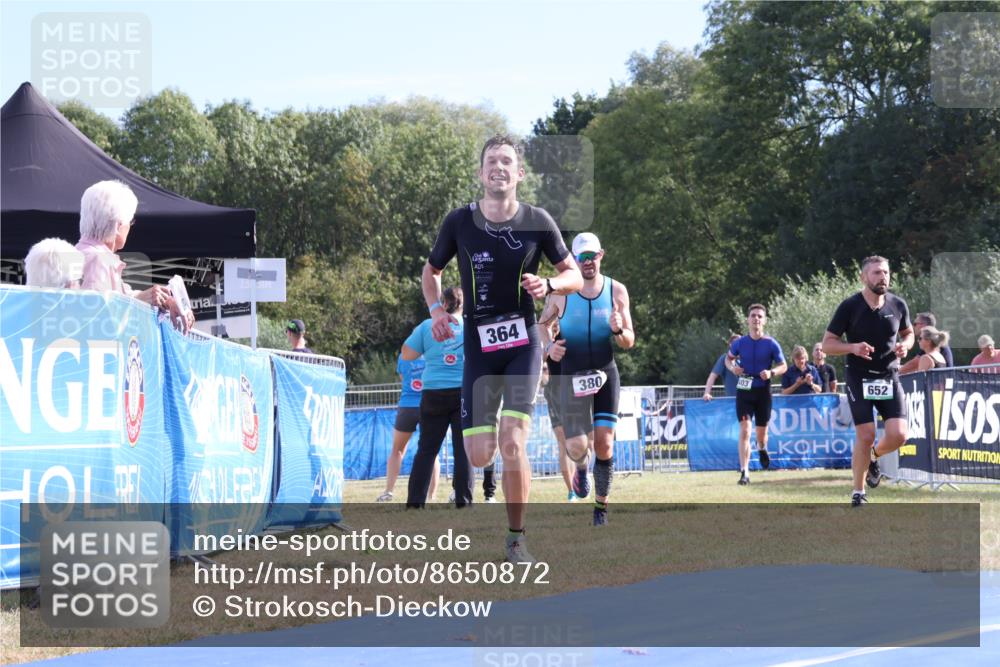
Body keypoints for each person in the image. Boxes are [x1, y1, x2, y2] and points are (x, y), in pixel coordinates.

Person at [423, 134, 582, 563]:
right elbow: (431, 270)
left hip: (522, 343)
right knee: (479, 454)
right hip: (478, 346)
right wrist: (437, 311)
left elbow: (572, 275)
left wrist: (548, 283)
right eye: (491, 160)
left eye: (507, 161)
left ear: (519, 173)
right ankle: (492, 433)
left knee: (513, 442)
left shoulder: (537, 220)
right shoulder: (459, 221)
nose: (499, 167)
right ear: (481, 173)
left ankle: (516, 538)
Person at [539, 232, 634, 526]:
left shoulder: (617, 291)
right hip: (571, 376)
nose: (587, 262)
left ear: (601, 255)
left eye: (592, 256)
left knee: (604, 444)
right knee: (577, 447)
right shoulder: (561, 292)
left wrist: (619, 330)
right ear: (575, 259)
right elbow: (541, 326)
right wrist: (548, 347)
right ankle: (581, 467)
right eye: (582, 257)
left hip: (605, 373)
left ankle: (600, 508)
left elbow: (629, 341)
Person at [823, 255, 913, 507]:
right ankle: (858, 491)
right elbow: (827, 344)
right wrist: (852, 347)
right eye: (876, 273)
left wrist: (905, 345)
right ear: (863, 277)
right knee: (866, 434)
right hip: (859, 377)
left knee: (899, 435)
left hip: (889, 377)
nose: (882, 277)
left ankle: (873, 456)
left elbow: (908, 333)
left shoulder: (898, 304)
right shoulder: (850, 306)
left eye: (885, 272)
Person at [75, 180, 194, 331]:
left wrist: (165, 300)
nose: (130, 227)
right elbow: (98, 319)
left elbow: (121, 296)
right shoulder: (96, 260)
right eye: (130, 221)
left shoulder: (90, 255)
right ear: (118, 225)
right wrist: (142, 299)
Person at [405, 288, 473, 507]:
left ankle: (415, 502)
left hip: (433, 391)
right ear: (464, 304)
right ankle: (463, 500)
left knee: (427, 449)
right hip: (463, 391)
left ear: (442, 303)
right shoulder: (470, 326)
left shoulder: (427, 326)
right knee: (463, 448)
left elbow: (407, 354)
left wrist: (432, 349)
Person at [726, 304, 787, 485]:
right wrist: (733, 369)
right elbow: (728, 359)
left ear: (764, 320)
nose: (756, 319)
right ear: (748, 319)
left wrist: (771, 373)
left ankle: (762, 448)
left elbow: (783, 365)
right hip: (744, 389)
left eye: (760, 316)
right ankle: (744, 472)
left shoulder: (771, 343)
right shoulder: (739, 343)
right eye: (753, 315)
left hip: (763, 391)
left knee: (761, 434)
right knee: (745, 430)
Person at [376, 351, 436, 502]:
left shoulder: (403, 355)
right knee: (431, 452)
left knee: (397, 450)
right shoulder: (433, 352)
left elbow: (403, 378)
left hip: (407, 406)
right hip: (429, 404)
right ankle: (431, 496)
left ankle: (388, 491)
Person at [541, 316, 581, 502]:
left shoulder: (576, 332)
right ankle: (571, 490)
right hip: (555, 391)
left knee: (579, 441)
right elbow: (539, 358)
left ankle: (581, 476)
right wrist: (549, 339)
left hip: (575, 389)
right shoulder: (545, 334)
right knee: (563, 442)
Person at [703, 334, 741, 400]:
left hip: (747, 401)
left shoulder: (746, 359)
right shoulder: (724, 358)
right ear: (730, 345)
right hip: (731, 402)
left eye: (740, 343)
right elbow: (712, 376)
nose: (738, 346)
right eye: (736, 343)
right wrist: (707, 393)